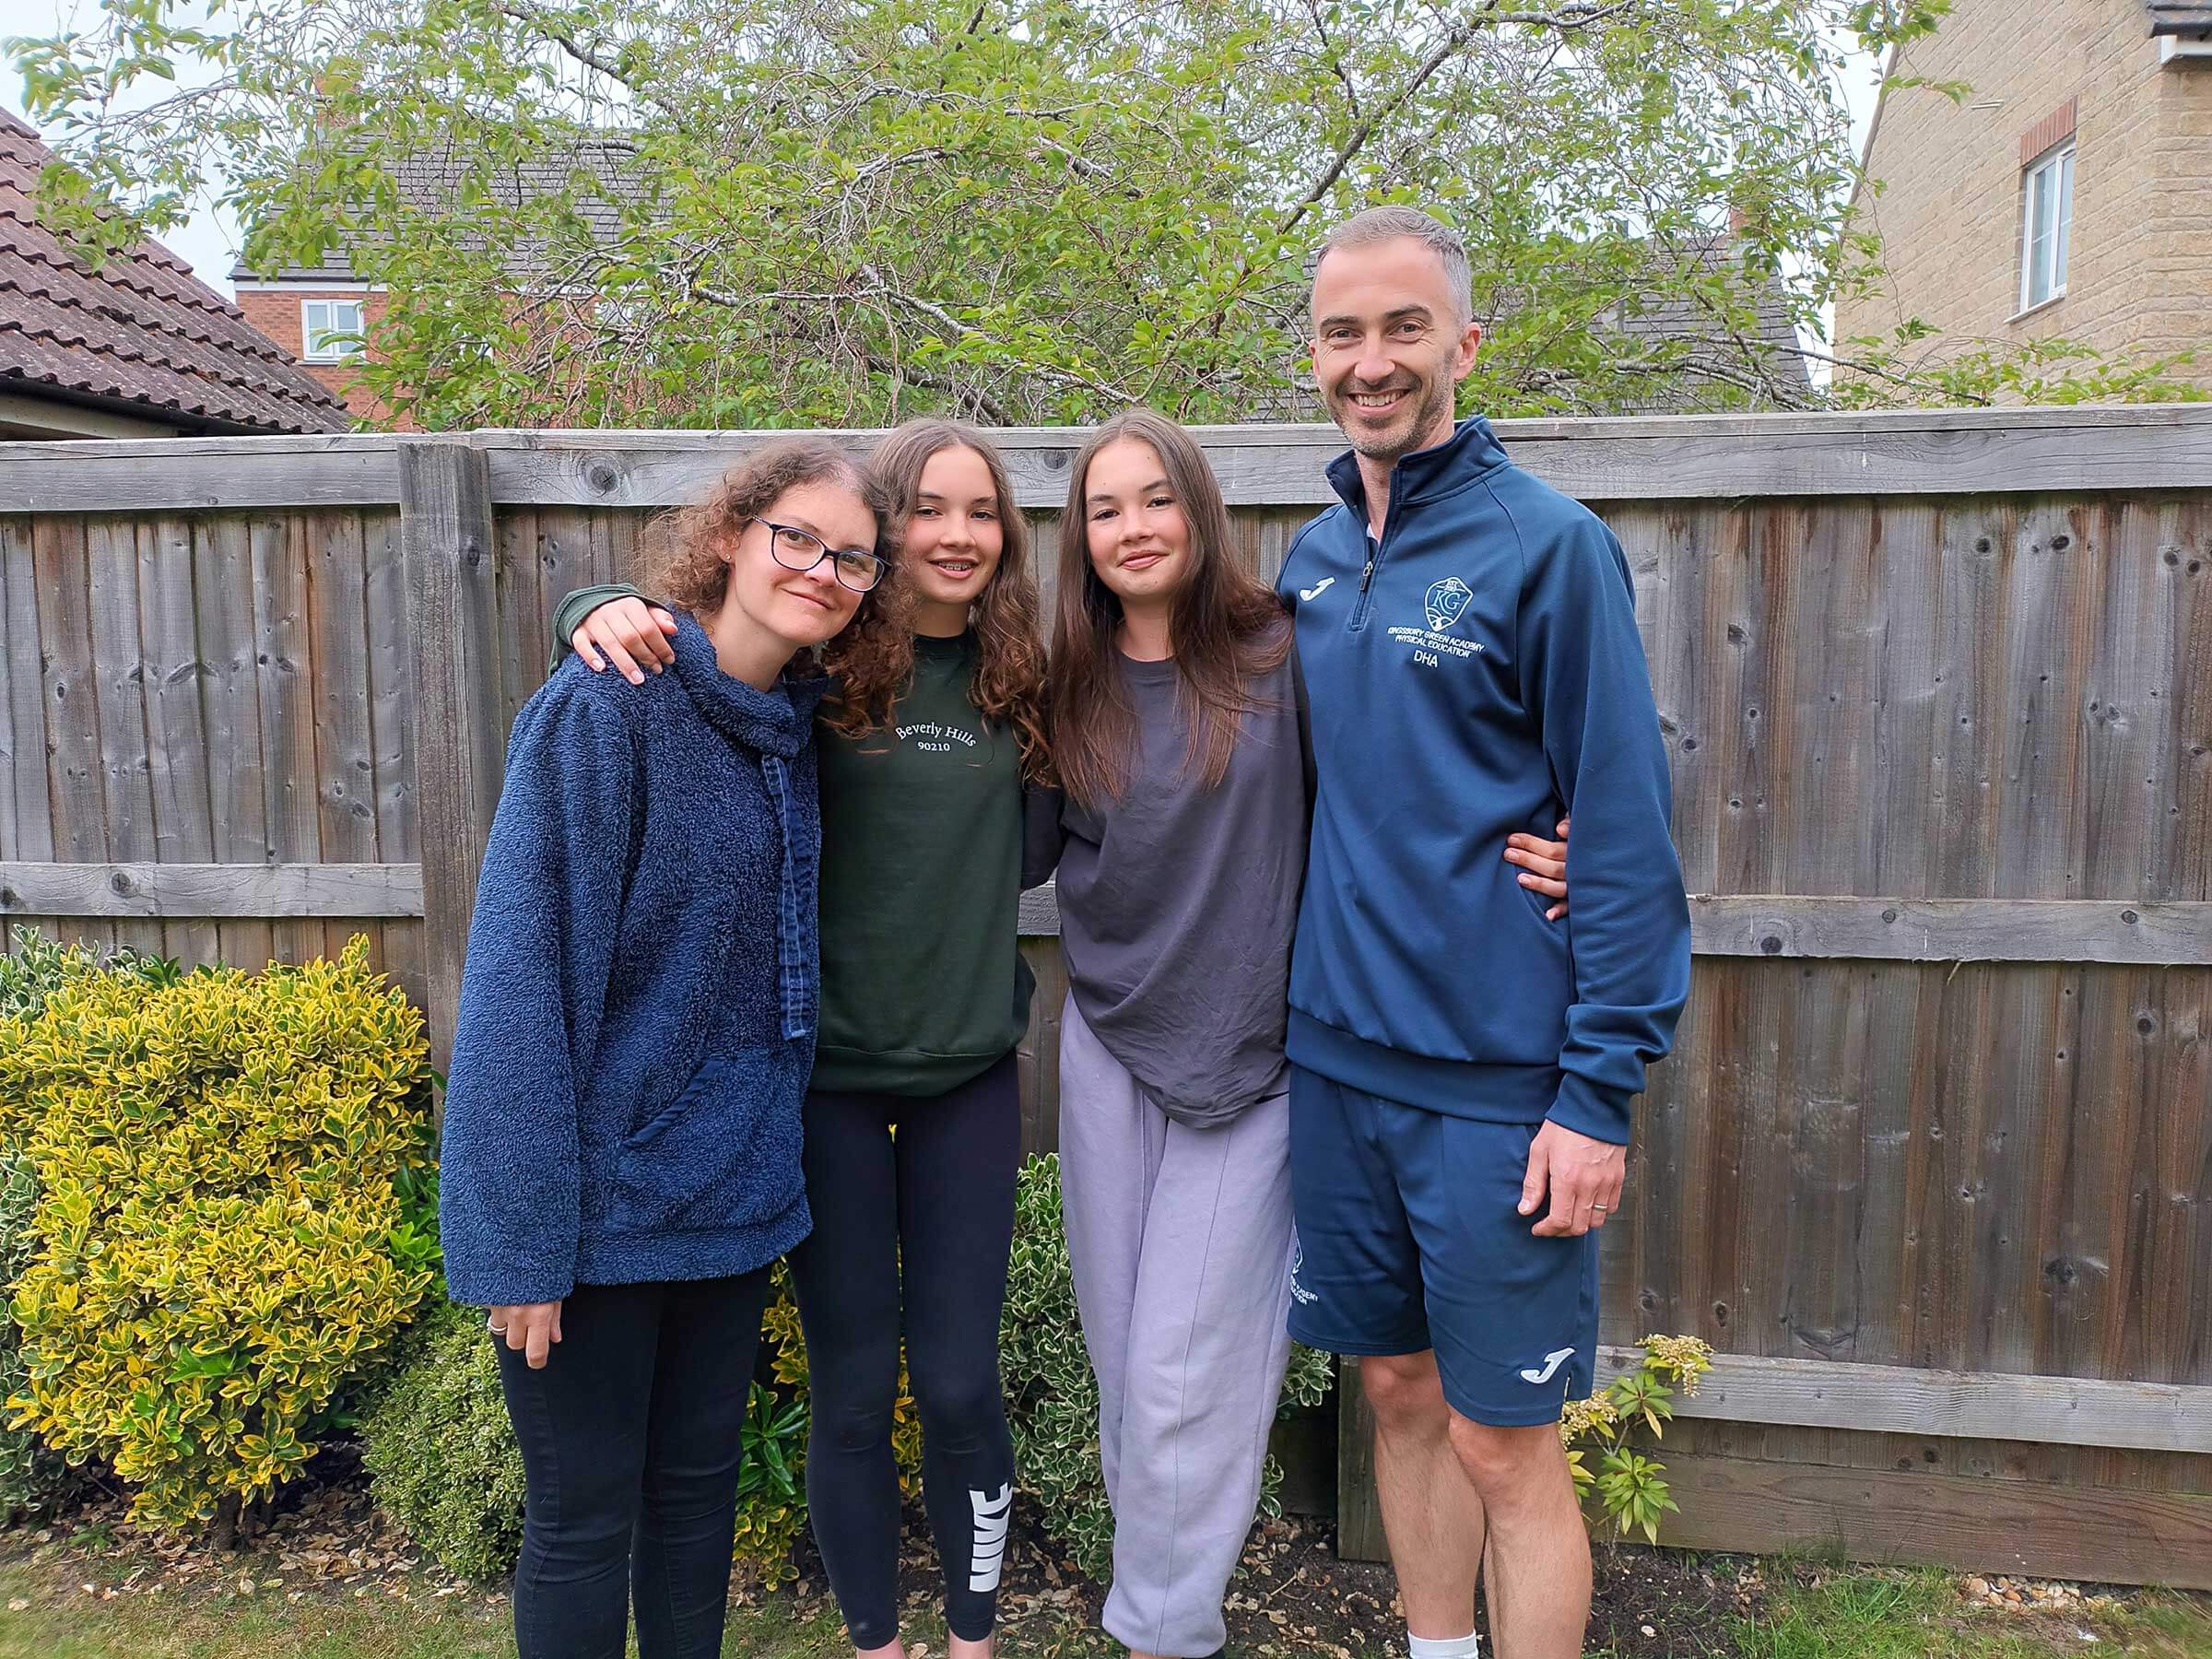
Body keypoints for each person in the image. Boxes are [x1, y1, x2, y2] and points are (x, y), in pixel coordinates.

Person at [1034, 408, 1573, 1659]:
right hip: (1112, 1047)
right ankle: (1157, 1613)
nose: (1132, 528)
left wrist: (1576, 847)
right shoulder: (1061, 681)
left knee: (1186, 1381)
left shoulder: (1288, 649)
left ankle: (1162, 1634)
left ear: (1199, 510)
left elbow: (1430, 758)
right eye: (1104, 508)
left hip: (1260, 1057)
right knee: (1128, 1371)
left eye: (1154, 499)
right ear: (1081, 537)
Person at [554, 421, 1053, 1659]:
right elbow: (705, 660)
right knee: (846, 1394)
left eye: (979, 511)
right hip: (819, 1089)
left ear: (1006, 535)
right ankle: (874, 1642)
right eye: (925, 511)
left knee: (953, 1382)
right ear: (884, 543)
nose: (953, 534)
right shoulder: (823, 677)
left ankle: (973, 1639)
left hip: (965, 1082)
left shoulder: (1035, 684)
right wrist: (596, 601)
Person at [1277, 205, 1692, 1659]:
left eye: (1403, 328)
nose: (1371, 361)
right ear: (1313, 354)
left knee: (1503, 1440)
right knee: (1393, 1394)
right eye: (1343, 333)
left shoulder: (1549, 547)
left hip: (1502, 1094)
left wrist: (1597, 1097)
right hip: (1336, 1067)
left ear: (1465, 340)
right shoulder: (1312, 563)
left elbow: (1625, 833)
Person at [437, 440, 897, 1659]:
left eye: (851, 557)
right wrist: (518, 1242)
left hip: (731, 1203)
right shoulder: (606, 706)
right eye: (797, 536)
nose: (822, 568)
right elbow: (523, 981)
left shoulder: (794, 731)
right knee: (584, 1525)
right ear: (733, 536)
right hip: (590, 1221)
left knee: (695, 1515)